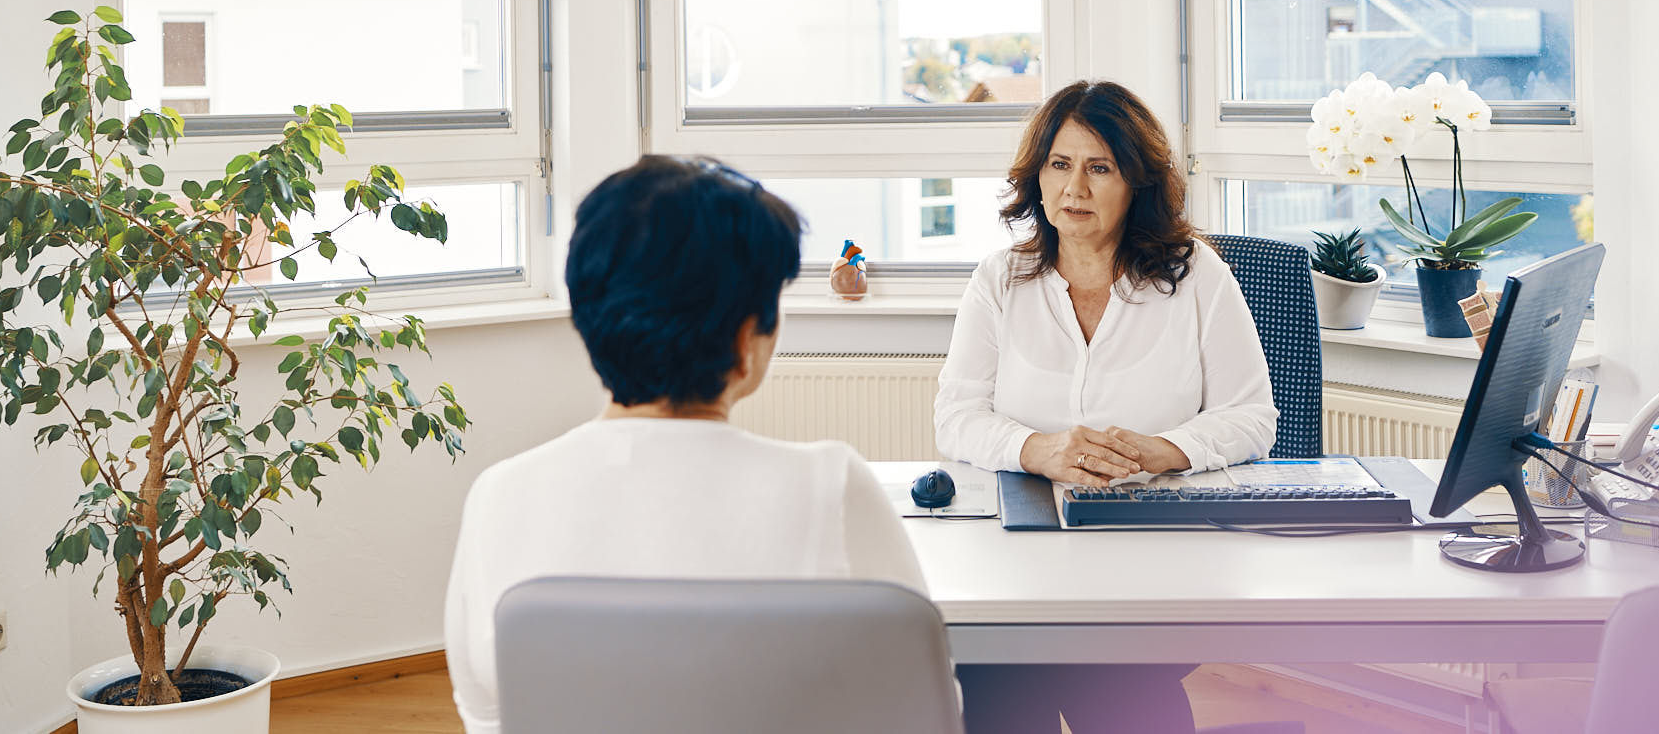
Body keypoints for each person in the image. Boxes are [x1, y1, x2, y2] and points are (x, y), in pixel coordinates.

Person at [443, 155, 928, 734]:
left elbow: (487, 715)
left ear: (589, 317)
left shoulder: (499, 495)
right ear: (747, 338)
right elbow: (921, 706)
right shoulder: (830, 485)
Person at [934, 80, 1278, 734]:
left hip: (1152, 551)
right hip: (1023, 550)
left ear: (1136, 183)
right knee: (1001, 658)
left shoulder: (1196, 276)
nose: (1075, 189)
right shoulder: (1000, 279)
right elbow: (956, 416)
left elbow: (1252, 415)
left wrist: (1164, 449)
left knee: (1088, 662)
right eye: (1059, 164)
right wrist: (1040, 449)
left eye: (1100, 168)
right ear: (1037, 176)